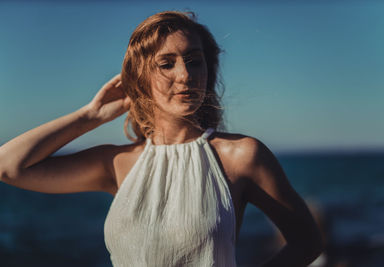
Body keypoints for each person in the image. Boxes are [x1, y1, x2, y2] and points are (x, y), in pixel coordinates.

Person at [0, 11, 323, 267]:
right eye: (166, 64)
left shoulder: (241, 156)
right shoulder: (117, 163)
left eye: (195, 60)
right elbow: (8, 167)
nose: (185, 74)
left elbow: (306, 243)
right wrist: (91, 115)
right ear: (140, 77)